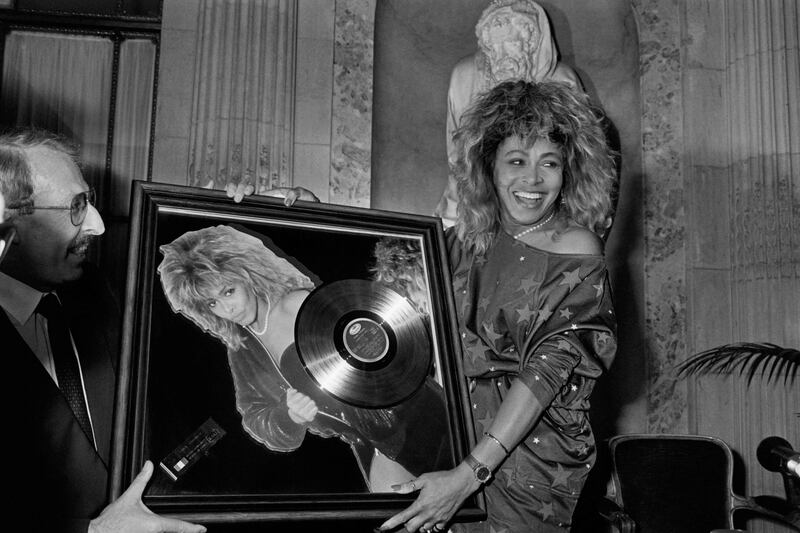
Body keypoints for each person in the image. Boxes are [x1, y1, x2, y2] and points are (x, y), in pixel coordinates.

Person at [371, 80, 619, 532]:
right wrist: (284, 212)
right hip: (443, 431)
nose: (533, 179)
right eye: (517, 161)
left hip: (526, 455)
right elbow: (380, 307)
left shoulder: (577, 247)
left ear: (569, 172)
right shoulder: (457, 242)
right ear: (489, 167)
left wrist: (470, 474)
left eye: (550, 163)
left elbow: (548, 370)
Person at [0, 128, 207, 533]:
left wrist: (254, 218)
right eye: (76, 206)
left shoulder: (95, 292)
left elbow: (202, 354)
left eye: (89, 201)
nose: (97, 225)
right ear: (9, 221)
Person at [157, 225, 451, 492]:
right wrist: (289, 417)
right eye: (212, 303)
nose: (227, 308)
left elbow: (382, 342)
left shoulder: (298, 304)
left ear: (247, 275)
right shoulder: (243, 351)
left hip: (412, 415)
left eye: (228, 291)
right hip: (369, 442)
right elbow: (255, 417)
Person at [435, 0, 582, 228]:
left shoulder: (562, 81)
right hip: (475, 194)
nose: (503, 54)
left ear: (530, 43)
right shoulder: (465, 76)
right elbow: (457, 153)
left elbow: (580, 158)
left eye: (512, 43)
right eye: (496, 46)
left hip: (543, 200)